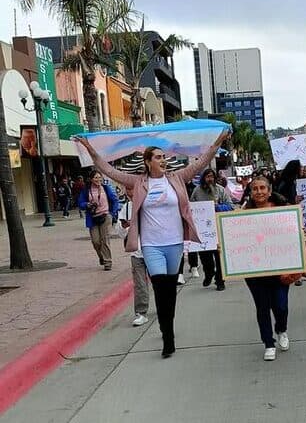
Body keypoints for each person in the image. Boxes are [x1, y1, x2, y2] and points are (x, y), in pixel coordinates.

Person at [75, 130, 228, 358]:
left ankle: (168, 328)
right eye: (158, 157)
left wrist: (218, 141)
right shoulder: (138, 182)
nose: (163, 160)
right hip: (151, 245)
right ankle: (167, 337)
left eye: (163, 156)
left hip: (174, 243)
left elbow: (202, 161)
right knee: (159, 287)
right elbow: (108, 170)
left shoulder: (176, 177)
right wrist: (89, 148)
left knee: (170, 291)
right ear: (148, 162)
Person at [244, 175, 291, 361]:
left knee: (280, 304)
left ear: (270, 191)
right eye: (255, 189)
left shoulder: (283, 210)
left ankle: (281, 329)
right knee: (262, 306)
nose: (259, 192)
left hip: (280, 267)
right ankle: (268, 342)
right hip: (255, 270)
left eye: (263, 188)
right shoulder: (242, 213)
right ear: (250, 192)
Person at [191, 168, 234, 291]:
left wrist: (217, 207)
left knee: (219, 256)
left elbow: (230, 206)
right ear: (203, 178)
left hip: (218, 228)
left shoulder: (220, 190)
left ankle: (220, 280)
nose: (210, 179)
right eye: (207, 176)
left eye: (212, 176)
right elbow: (191, 207)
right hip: (203, 230)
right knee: (205, 257)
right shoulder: (197, 191)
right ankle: (209, 273)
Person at [276, 160, 306, 284]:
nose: (303, 169)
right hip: (289, 219)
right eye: (301, 167)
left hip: (301, 217)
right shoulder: (285, 183)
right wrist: (292, 201)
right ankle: (295, 273)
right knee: (296, 246)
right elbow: (280, 200)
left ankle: (303, 268)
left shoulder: (297, 182)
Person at [116, 187, 150, 327]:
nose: (130, 193)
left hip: (154, 249)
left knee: (160, 282)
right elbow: (120, 231)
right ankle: (141, 312)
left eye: (133, 190)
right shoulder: (127, 207)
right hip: (137, 251)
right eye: (128, 191)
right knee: (140, 283)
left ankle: (164, 307)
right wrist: (126, 227)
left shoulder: (150, 204)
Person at [78, 170, 120, 271]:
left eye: (99, 177)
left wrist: (112, 213)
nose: (98, 180)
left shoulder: (106, 188)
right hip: (93, 218)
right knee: (96, 241)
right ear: (91, 179)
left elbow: (115, 200)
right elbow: (80, 203)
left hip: (105, 216)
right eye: (96, 178)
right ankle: (101, 257)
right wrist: (87, 204)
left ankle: (108, 262)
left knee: (105, 239)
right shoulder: (86, 190)